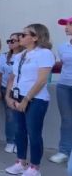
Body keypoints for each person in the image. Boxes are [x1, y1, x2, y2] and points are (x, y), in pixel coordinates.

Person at [4, 24, 55, 176]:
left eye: (24, 34)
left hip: (36, 99)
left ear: (35, 37)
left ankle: (34, 167)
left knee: (34, 133)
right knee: (19, 131)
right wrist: (9, 96)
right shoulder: (20, 55)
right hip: (18, 96)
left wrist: (26, 99)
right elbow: (14, 78)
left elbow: (41, 80)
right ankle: (20, 162)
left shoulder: (44, 53)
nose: (20, 37)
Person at [49, 17, 72, 164]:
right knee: (66, 120)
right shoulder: (62, 46)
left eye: (69, 24)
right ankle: (64, 151)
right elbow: (63, 65)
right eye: (66, 24)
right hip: (64, 86)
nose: (66, 27)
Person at [0, 32, 24, 153]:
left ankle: (20, 142)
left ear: (20, 42)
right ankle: (10, 141)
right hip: (6, 90)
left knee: (21, 118)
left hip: (22, 91)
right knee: (10, 117)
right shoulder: (3, 57)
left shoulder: (26, 56)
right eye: (9, 40)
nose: (10, 43)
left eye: (13, 41)